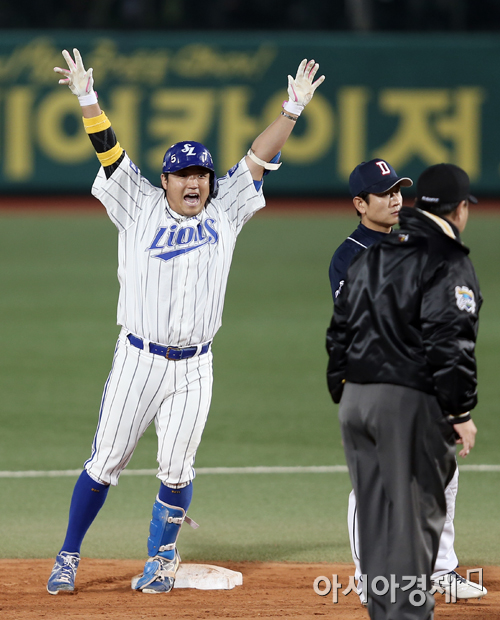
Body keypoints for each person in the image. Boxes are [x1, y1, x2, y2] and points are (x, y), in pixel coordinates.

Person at [47, 48, 325, 595]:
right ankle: (68, 554)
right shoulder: (138, 204)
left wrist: (292, 109)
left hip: (195, 366)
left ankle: (161, 558)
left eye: (201, 174)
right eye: (183, 175)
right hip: (138, 359)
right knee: (105, 463)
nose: (194, 182)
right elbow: (109, 151)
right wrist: (87, 99)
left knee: (178, 469)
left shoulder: (226, 210)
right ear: (166, 180)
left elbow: (258, 156)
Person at [326, 163, 483, 619]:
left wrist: (341, 382)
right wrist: (458, 409)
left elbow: (340, 331)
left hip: (388, 388)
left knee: (441, 476)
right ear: (360, 204)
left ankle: (438, 570)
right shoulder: (357, 254)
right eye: (384, 193)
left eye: (398, 190)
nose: (394, 198)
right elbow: (444, 337)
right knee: (375, 488)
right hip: (396, 388)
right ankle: (372, 578)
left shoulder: (401, 245)